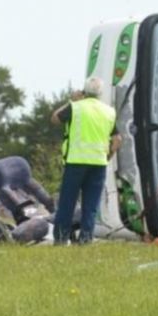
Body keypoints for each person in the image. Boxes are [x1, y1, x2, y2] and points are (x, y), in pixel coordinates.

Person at [50, 77, 121, 245]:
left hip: (76, 162)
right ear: (100, 93)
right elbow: (117, 139)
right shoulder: (109, 111)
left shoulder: (75, 107)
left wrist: (71, 100)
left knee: (67, 203)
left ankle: (61, 239)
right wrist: (108, 156)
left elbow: (54, 119)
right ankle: (86, 240)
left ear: (84, 91)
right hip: (98, 163)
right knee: (91, 206)